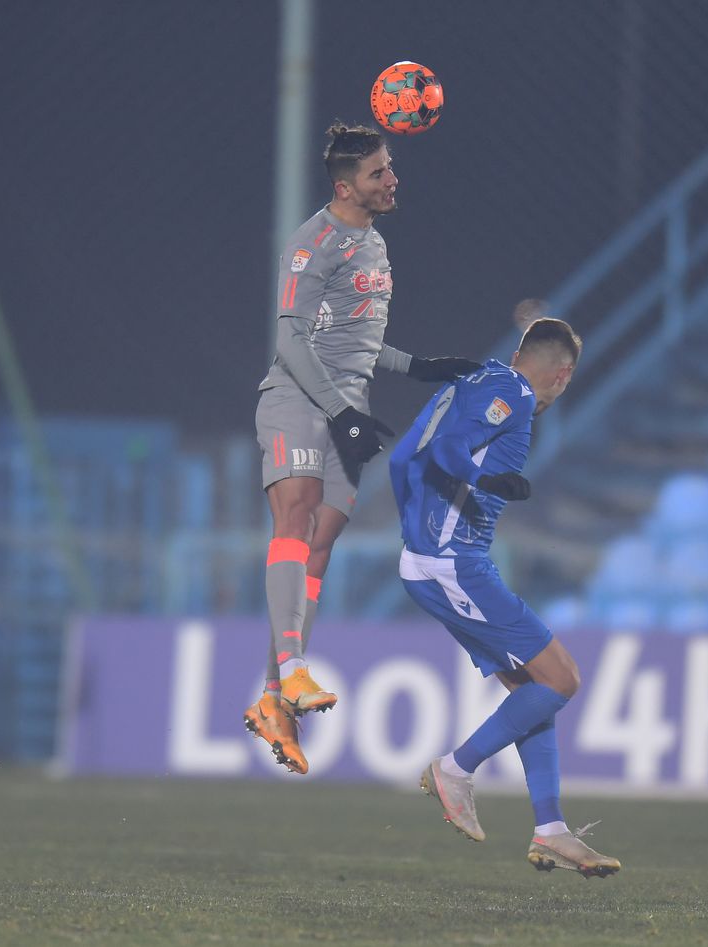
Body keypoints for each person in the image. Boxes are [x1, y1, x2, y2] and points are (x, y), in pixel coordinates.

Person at [244, 123, 480, 775]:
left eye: (391, 166)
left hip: (352, 408)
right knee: (294, 516)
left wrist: (419, 366)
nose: (393, 178)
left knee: (318, 547)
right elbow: (292, 340)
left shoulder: (373, 243)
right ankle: (292, 666)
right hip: (298, 399)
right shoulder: (311, 243)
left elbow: (356, 342)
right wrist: (340, 410)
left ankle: (272, 697)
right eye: (380, 172)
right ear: (347, 186)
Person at [388, 317, 620, 878]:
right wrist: (484, 483)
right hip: (452, 563)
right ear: (562, 375)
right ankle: (455, 769)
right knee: (563, 679)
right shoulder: (512, 394)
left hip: (446, 559)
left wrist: (418, 523)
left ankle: (552, 831)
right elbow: (447, 448)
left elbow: (403, 457)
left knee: (535, 692)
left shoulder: (477, 379)